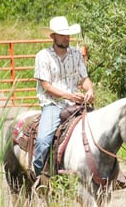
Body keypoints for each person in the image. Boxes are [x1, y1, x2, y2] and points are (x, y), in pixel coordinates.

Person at [32, 16, 95, 183]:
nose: (66, 38)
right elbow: (46, 86)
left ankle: (110, 173)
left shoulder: (76, 54)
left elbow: (84, 79)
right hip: (53, 104)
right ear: (53, 36)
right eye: (62, 35)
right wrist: (69, 95)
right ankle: (38, 175)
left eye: (68, 35)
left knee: (101, 131)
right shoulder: (43, 56)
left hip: (76, 103)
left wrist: (90, 90)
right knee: (43, 140)